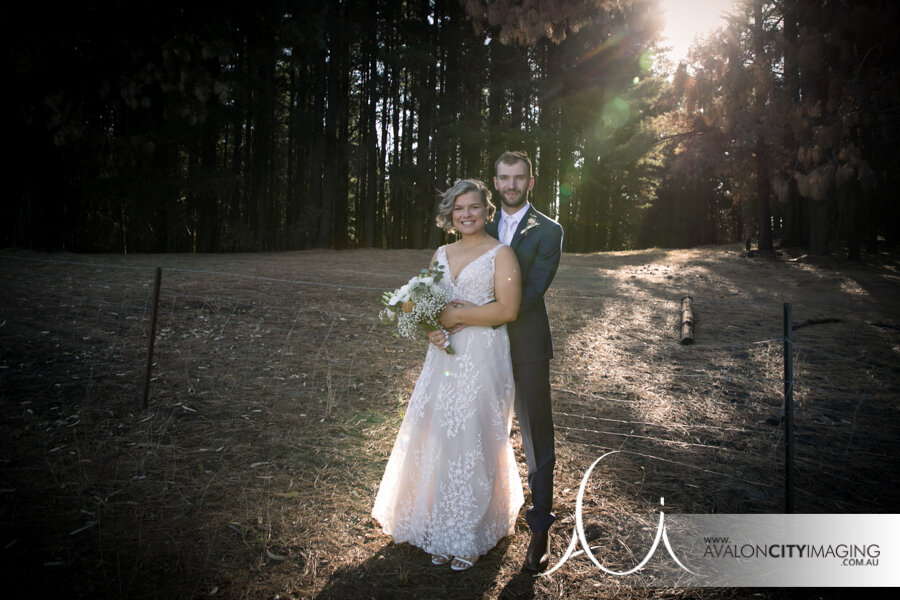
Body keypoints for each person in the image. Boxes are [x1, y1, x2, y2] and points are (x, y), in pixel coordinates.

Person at [372, 179, 524, 572]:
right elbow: (424, 304)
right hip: (442, 357)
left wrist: (456, 316)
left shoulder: (501, 253)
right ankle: (440, 526)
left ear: (486, 211)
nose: (467, 214)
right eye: (459, 209)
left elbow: (507, 310)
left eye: (474, 207)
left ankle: (470, 533)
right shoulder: (440, 253)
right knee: (438, 435)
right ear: (450, 215)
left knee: (473, 437)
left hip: (483, 354)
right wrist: (431, 328)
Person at [486, 151, 563, 572]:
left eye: (519, 178)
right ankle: (483, 515)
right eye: (504, 178)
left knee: (537, 435)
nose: (512, 185)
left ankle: (539, 527)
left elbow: (531, 292)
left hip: (527, 344)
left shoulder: (549, 231)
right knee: (480, 426)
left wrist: (482, 314)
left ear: (530, 182)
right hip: (480, 346)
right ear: (495, 182)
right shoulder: (478, 224)